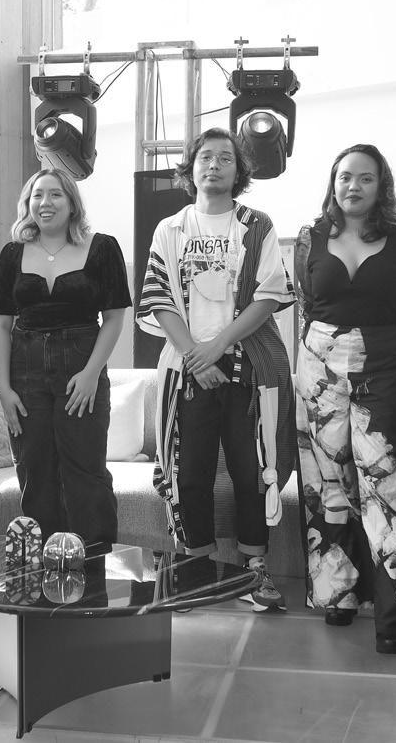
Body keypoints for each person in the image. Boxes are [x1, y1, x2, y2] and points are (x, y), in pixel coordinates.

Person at [137, 127, 296, 613]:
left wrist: (219, 346)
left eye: (225, 158)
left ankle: (254, 569)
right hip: (187, 368)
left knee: (253, 473)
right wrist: (195, 355)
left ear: (239, 170)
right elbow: (158, 298)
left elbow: (269, 295)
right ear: (190, 167)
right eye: (205, 157)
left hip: (247, 367)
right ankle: (196, 569)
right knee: (190, 473)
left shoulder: (257, 225)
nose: (214, 165)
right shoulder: (171, 228)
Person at [293, 143, 396, 654]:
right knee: (328, 486)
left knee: (393, 487)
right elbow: (307, 307)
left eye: (365, 178)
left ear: (381, 186)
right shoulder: (309, 238)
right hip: (319, 370)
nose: (353, 186)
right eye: (345, 176)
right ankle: (337, 594)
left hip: (385, 368)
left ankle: (395, 619)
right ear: (333, 182)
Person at [0, 168, 131, 545]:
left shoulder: (102, 247)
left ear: (72, 203)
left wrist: (91, 373)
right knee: (35, 472)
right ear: (27, 204)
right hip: (25, 373)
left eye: (55, 195)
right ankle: (44, 567)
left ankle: (95, 566)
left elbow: (114, 319)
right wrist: (3, 388)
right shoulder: (12, 254)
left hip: (80, 368)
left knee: (87, 473)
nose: (45, 203)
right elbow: (0, 326)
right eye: (37, 195)